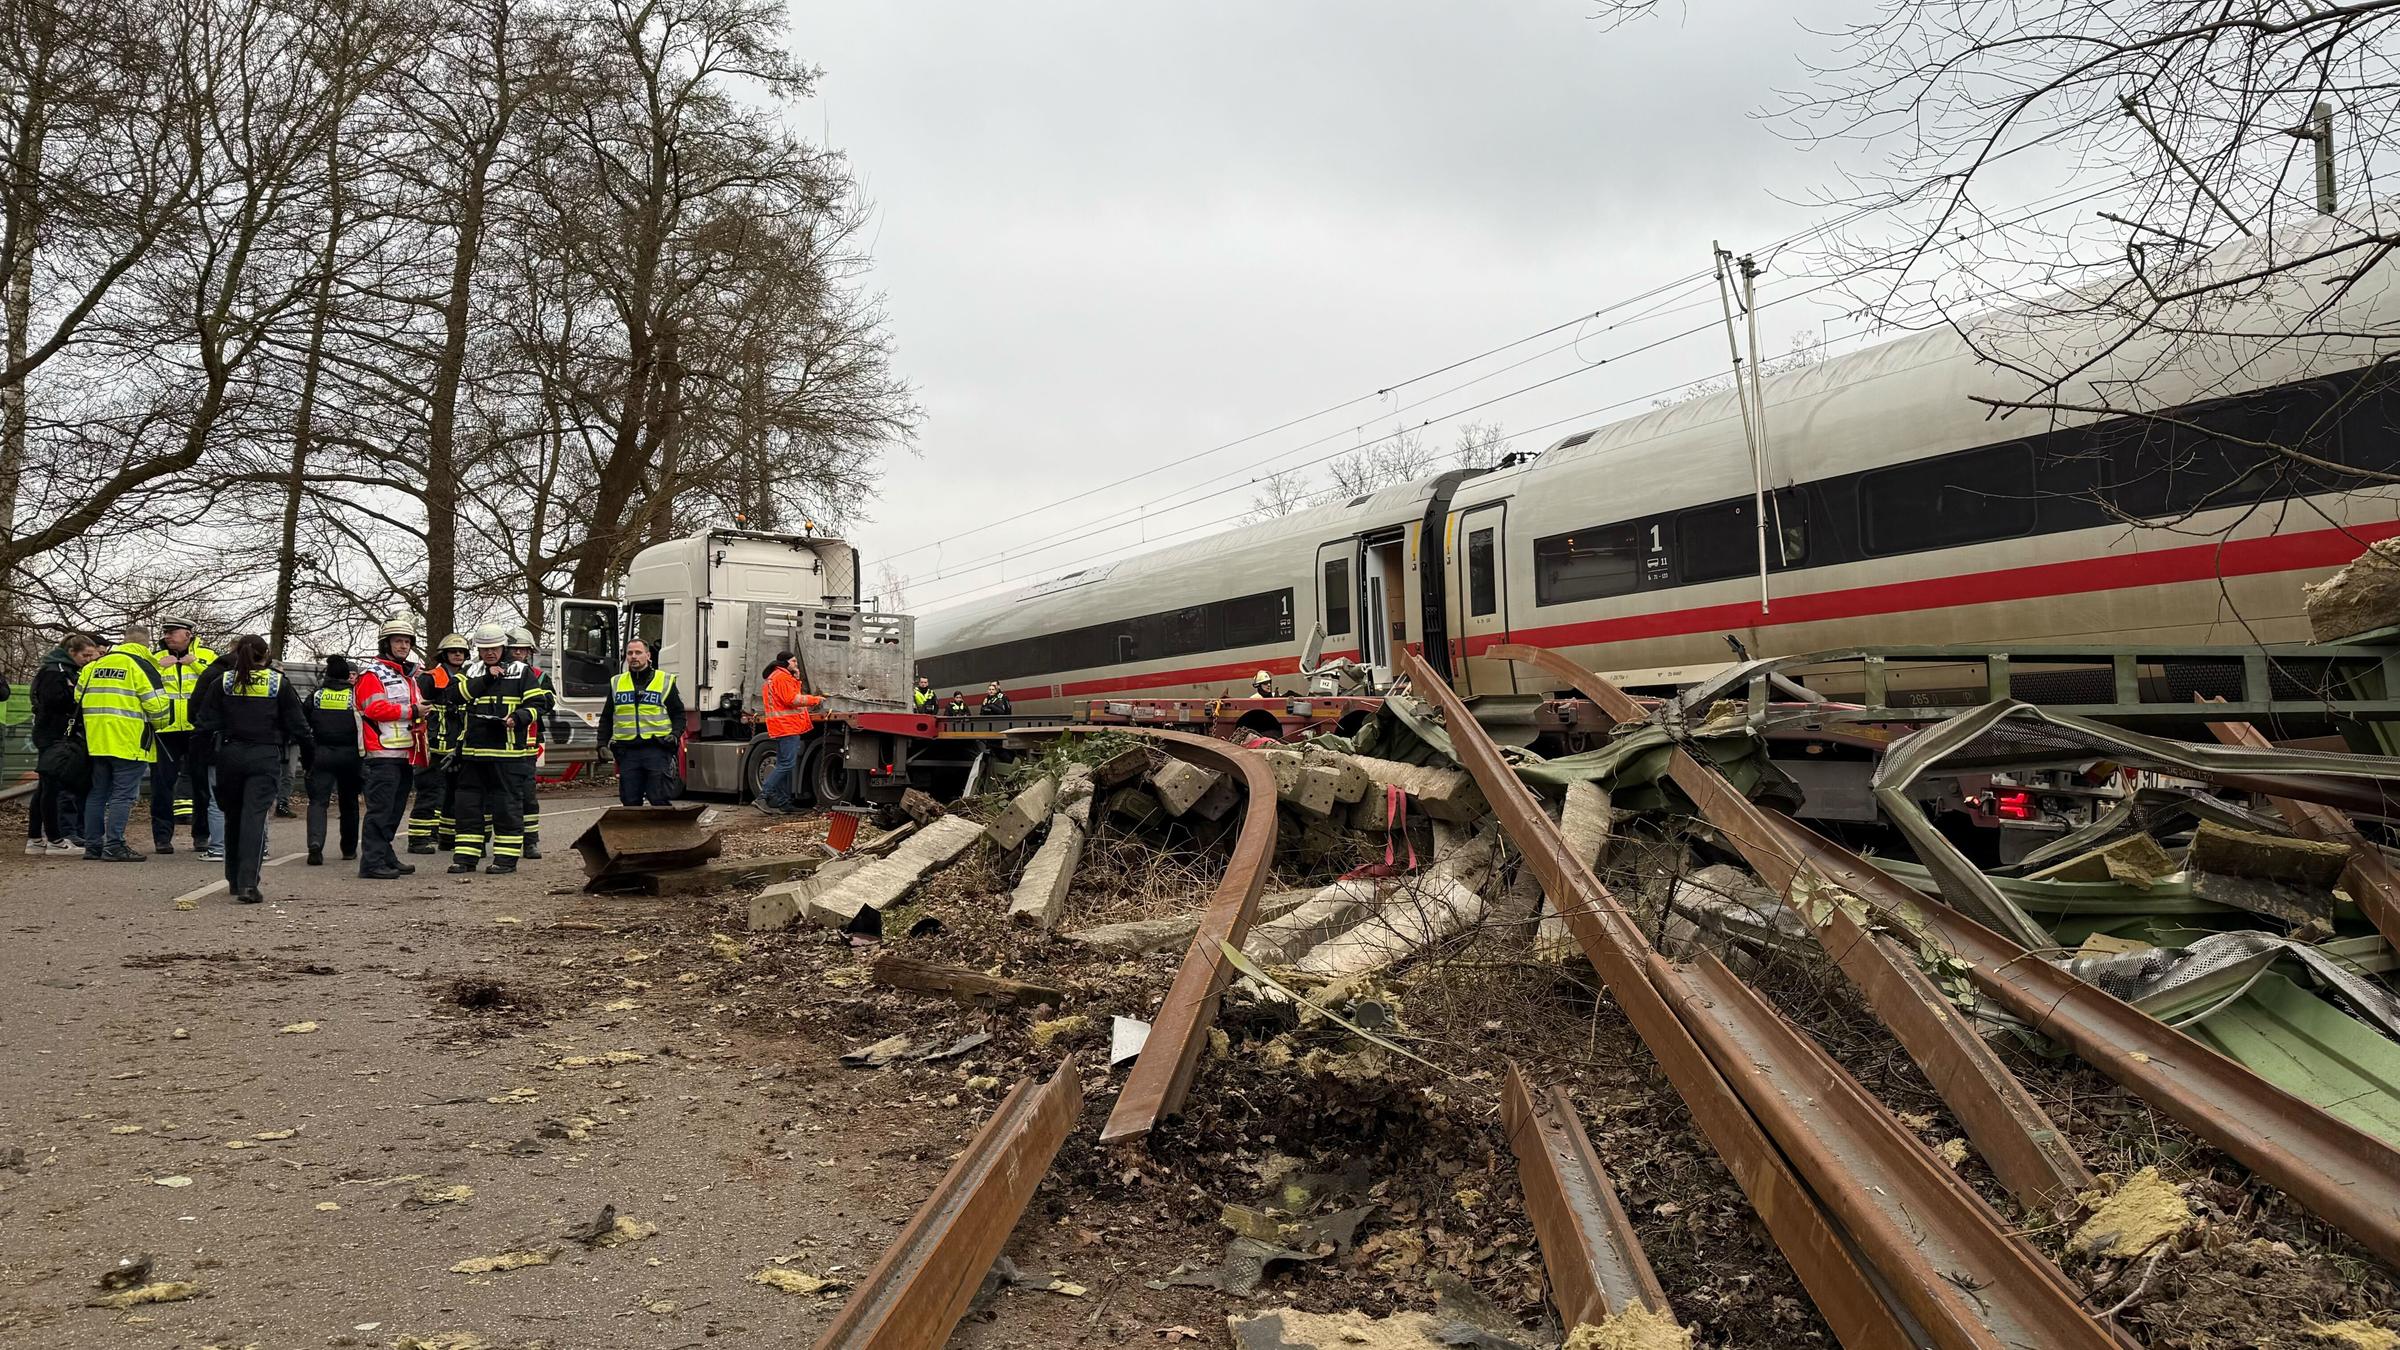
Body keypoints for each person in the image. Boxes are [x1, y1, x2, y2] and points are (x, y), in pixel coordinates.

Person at [191, 634, 311, 904]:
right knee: (254, 819)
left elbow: (203, 723)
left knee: (232, 817)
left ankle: (233, 879)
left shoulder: (221, 682)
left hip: (229, 755)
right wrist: (310, 758)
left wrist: (198, 759)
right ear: (265, 655)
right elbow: (299, 726)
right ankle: (248, 884)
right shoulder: (277, 682)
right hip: (264, 754)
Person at [451, 623, 538, 874]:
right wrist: (487, 678)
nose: (489, 653)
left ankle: (505, 859)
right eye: (484, 648)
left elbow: (537, 704)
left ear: (504, 647)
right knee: (468, 807)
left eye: (494, 648)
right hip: (473, 753)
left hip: (507, 753)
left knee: (506, 807)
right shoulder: (470, 670)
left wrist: (519, 717)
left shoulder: (521, 671)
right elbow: (453, 696)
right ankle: (465, 858)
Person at [77, 631, 172, 861]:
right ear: (145, 644)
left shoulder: (93, 666)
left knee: (98, 793)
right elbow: (158, 708)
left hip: (96, 740)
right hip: (129, 740)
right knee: (123, 796)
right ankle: (114, 845)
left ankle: (92, 845)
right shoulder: (141, 666)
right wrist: (160, 723)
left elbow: (77, 696)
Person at [353, 615, 425, 880]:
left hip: (404, 752)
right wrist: (413, 710)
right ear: (386, 644)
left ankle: (384, 854)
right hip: (380, 753)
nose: (403, 646)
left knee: (394, 810)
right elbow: (373, 708)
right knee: (380, 810)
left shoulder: (408, 676)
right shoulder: (372, 674)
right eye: (398, 641)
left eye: (407, 641)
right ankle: (371, 863)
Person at [149, 617, 220, 858]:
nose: (167, 636)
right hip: (165, 730)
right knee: (161, 785)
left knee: (202, 784)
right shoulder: (156, 658)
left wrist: (196, 663)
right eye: (166, 632)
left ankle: (201, 835)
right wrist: (162, 667)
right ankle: (161, 838)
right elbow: (143, 684)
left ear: (188, 634)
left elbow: (219, 680)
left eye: (173, 632)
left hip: (197, 730)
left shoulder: (208, 656)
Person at [28, 633, 100, 855]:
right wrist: (76, 696)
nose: (89, 660)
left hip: (55, 734)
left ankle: (35, 839)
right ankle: (55, 840)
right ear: (72, 653)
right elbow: (54, 701)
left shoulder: (63, 670)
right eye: (85, 655)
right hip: (54, 735)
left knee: (44, 788)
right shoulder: (55, 672)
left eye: (92, 656)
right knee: (51, 788)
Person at [410, 633, 470, 853]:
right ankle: (418, 839)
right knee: (429, 792)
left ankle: (447, 838)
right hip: (432, 746)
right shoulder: (430, 678)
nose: (457, 654)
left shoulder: (468, 678)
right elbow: (418, 709)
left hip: (457, 747)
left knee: (454, 793)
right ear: (443, 654)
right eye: (453, 651)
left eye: (461, 651)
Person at [608, 638, 684, 806]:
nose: (634, 656)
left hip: (656, 748)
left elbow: (679, 714)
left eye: (638, 652)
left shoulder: (664, 681)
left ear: (648, 655)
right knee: (629, 800)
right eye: (630, 653)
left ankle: (662, 832)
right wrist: (601, 744)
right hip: (627, 751)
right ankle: (635, 833)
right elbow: (607, 716)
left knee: (659, 798)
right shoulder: (617, 682)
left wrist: (674, 735)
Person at [302, 653, 362, 866]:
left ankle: (315, 844)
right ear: (347, 676)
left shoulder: (316, 696)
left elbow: (303, 722)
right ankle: (349, 849)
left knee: (318, 802)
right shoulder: (355, 696)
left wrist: (307, 755)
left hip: (322, 754)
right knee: (349, 803)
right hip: (351, 756)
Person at [506, 626, 555, 858]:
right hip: (500, 742)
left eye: (523, 650)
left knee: (527, 794)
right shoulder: (497, 673)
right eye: (514, 649)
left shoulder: (540, 676)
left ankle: (530, 841)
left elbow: (549, 701)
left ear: (529, 652)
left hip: (528, 741)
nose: (518, 653)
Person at [755, 650, 822, 813]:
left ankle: (784, 803)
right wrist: (816, 699)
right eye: (793, 662)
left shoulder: (773, 678)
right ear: (784, 663)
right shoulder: (783, 677)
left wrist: (796, 677)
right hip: (788, 726)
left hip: (780, 726)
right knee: (786, 764)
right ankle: (763, 796)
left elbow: (788, 696)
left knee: (784, 764)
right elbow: (793, 700)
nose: (796, 664)